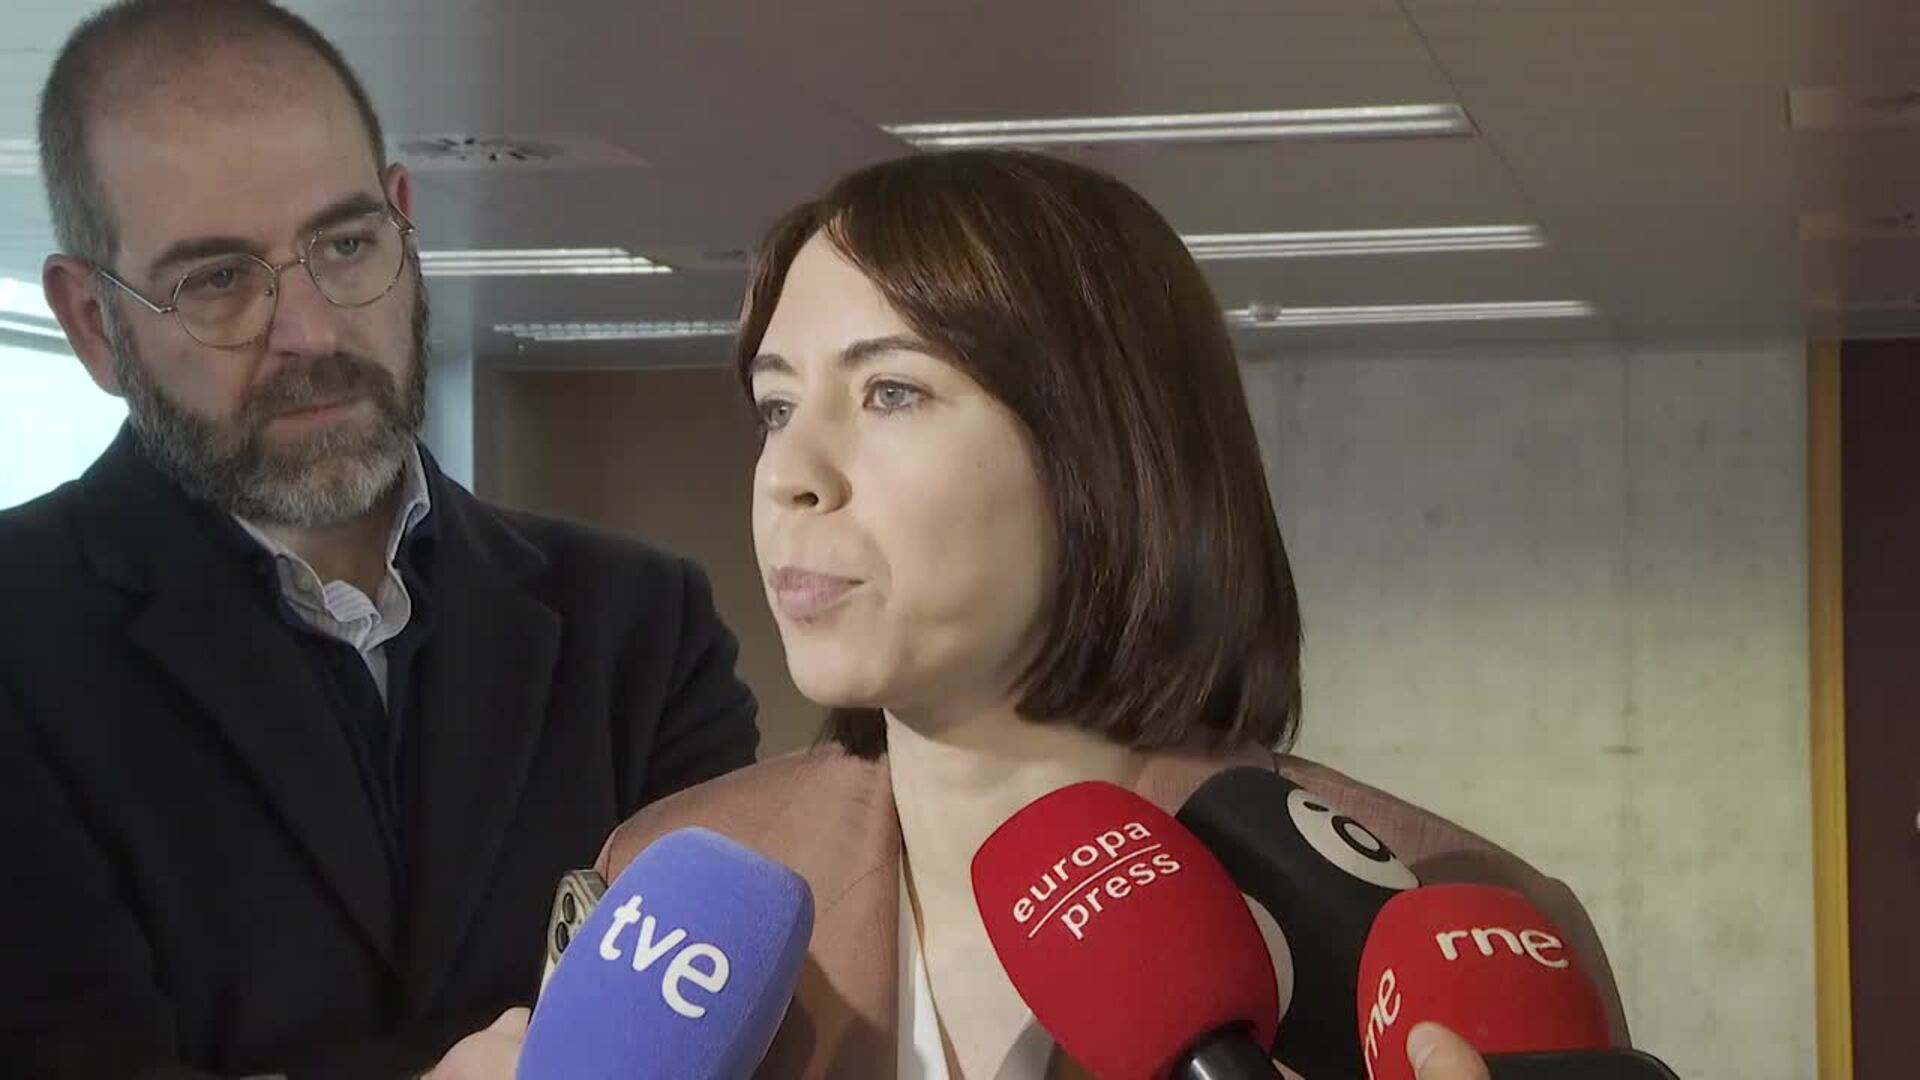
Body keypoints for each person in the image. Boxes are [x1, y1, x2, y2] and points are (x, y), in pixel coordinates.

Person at [436, 148, 1633, 1078]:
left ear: (1102, 452)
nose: (790, 473)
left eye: (890, 392)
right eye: (776, 407)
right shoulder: (666, 892)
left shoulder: (1445, 924)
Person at [0, 2, 758, 1076]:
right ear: (92, 322)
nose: (311, 331)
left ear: (404, 220)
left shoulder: (641, 631)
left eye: (347, 244)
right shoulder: (22, 639)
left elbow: (724, 1040)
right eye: (217, 279)